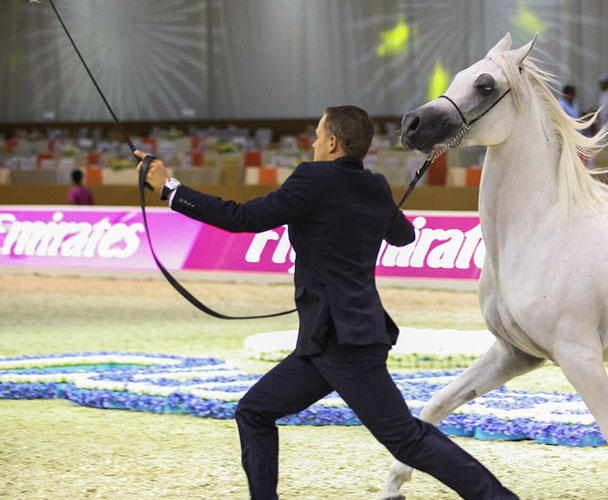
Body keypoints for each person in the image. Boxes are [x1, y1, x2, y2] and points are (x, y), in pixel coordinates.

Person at [137, 105, 520, 500]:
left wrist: (170, 189)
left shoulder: (311, 179)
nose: (315, 142)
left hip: (344, 343)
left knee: (405, 438)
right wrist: (376, 205)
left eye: (319, 136)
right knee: (254, 411)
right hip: (326, 340)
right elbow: (403, 236)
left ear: (333, 142)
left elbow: (242, 218)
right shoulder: (374, 185)